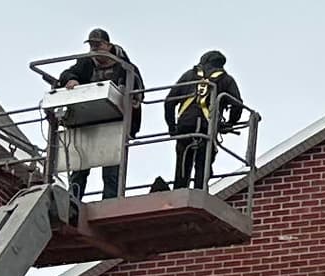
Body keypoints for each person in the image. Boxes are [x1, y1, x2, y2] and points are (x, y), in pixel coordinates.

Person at [50, 29, 145, 200]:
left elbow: (139, 91)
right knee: (79, 166)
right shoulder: (86, 63)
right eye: (92, 46)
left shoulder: (126, 67)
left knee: (111, 169)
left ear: (108, 46)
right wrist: (71, 79)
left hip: (114, 124)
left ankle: (110, 201)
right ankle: (73, 202)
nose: (94, 49)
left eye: (98, 45)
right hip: (87, 123)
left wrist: (129, 97)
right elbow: (65, 74)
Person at [164, 49, 244, 189]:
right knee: (203, 164)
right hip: (207, 128)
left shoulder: (189, 75)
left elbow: (169, 102)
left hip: (185, 126)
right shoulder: (226, 79)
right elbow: (237, 104)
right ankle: (200, 191)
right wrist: (230, 123)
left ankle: (179, 191)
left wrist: (172, 127)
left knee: (183, 165)